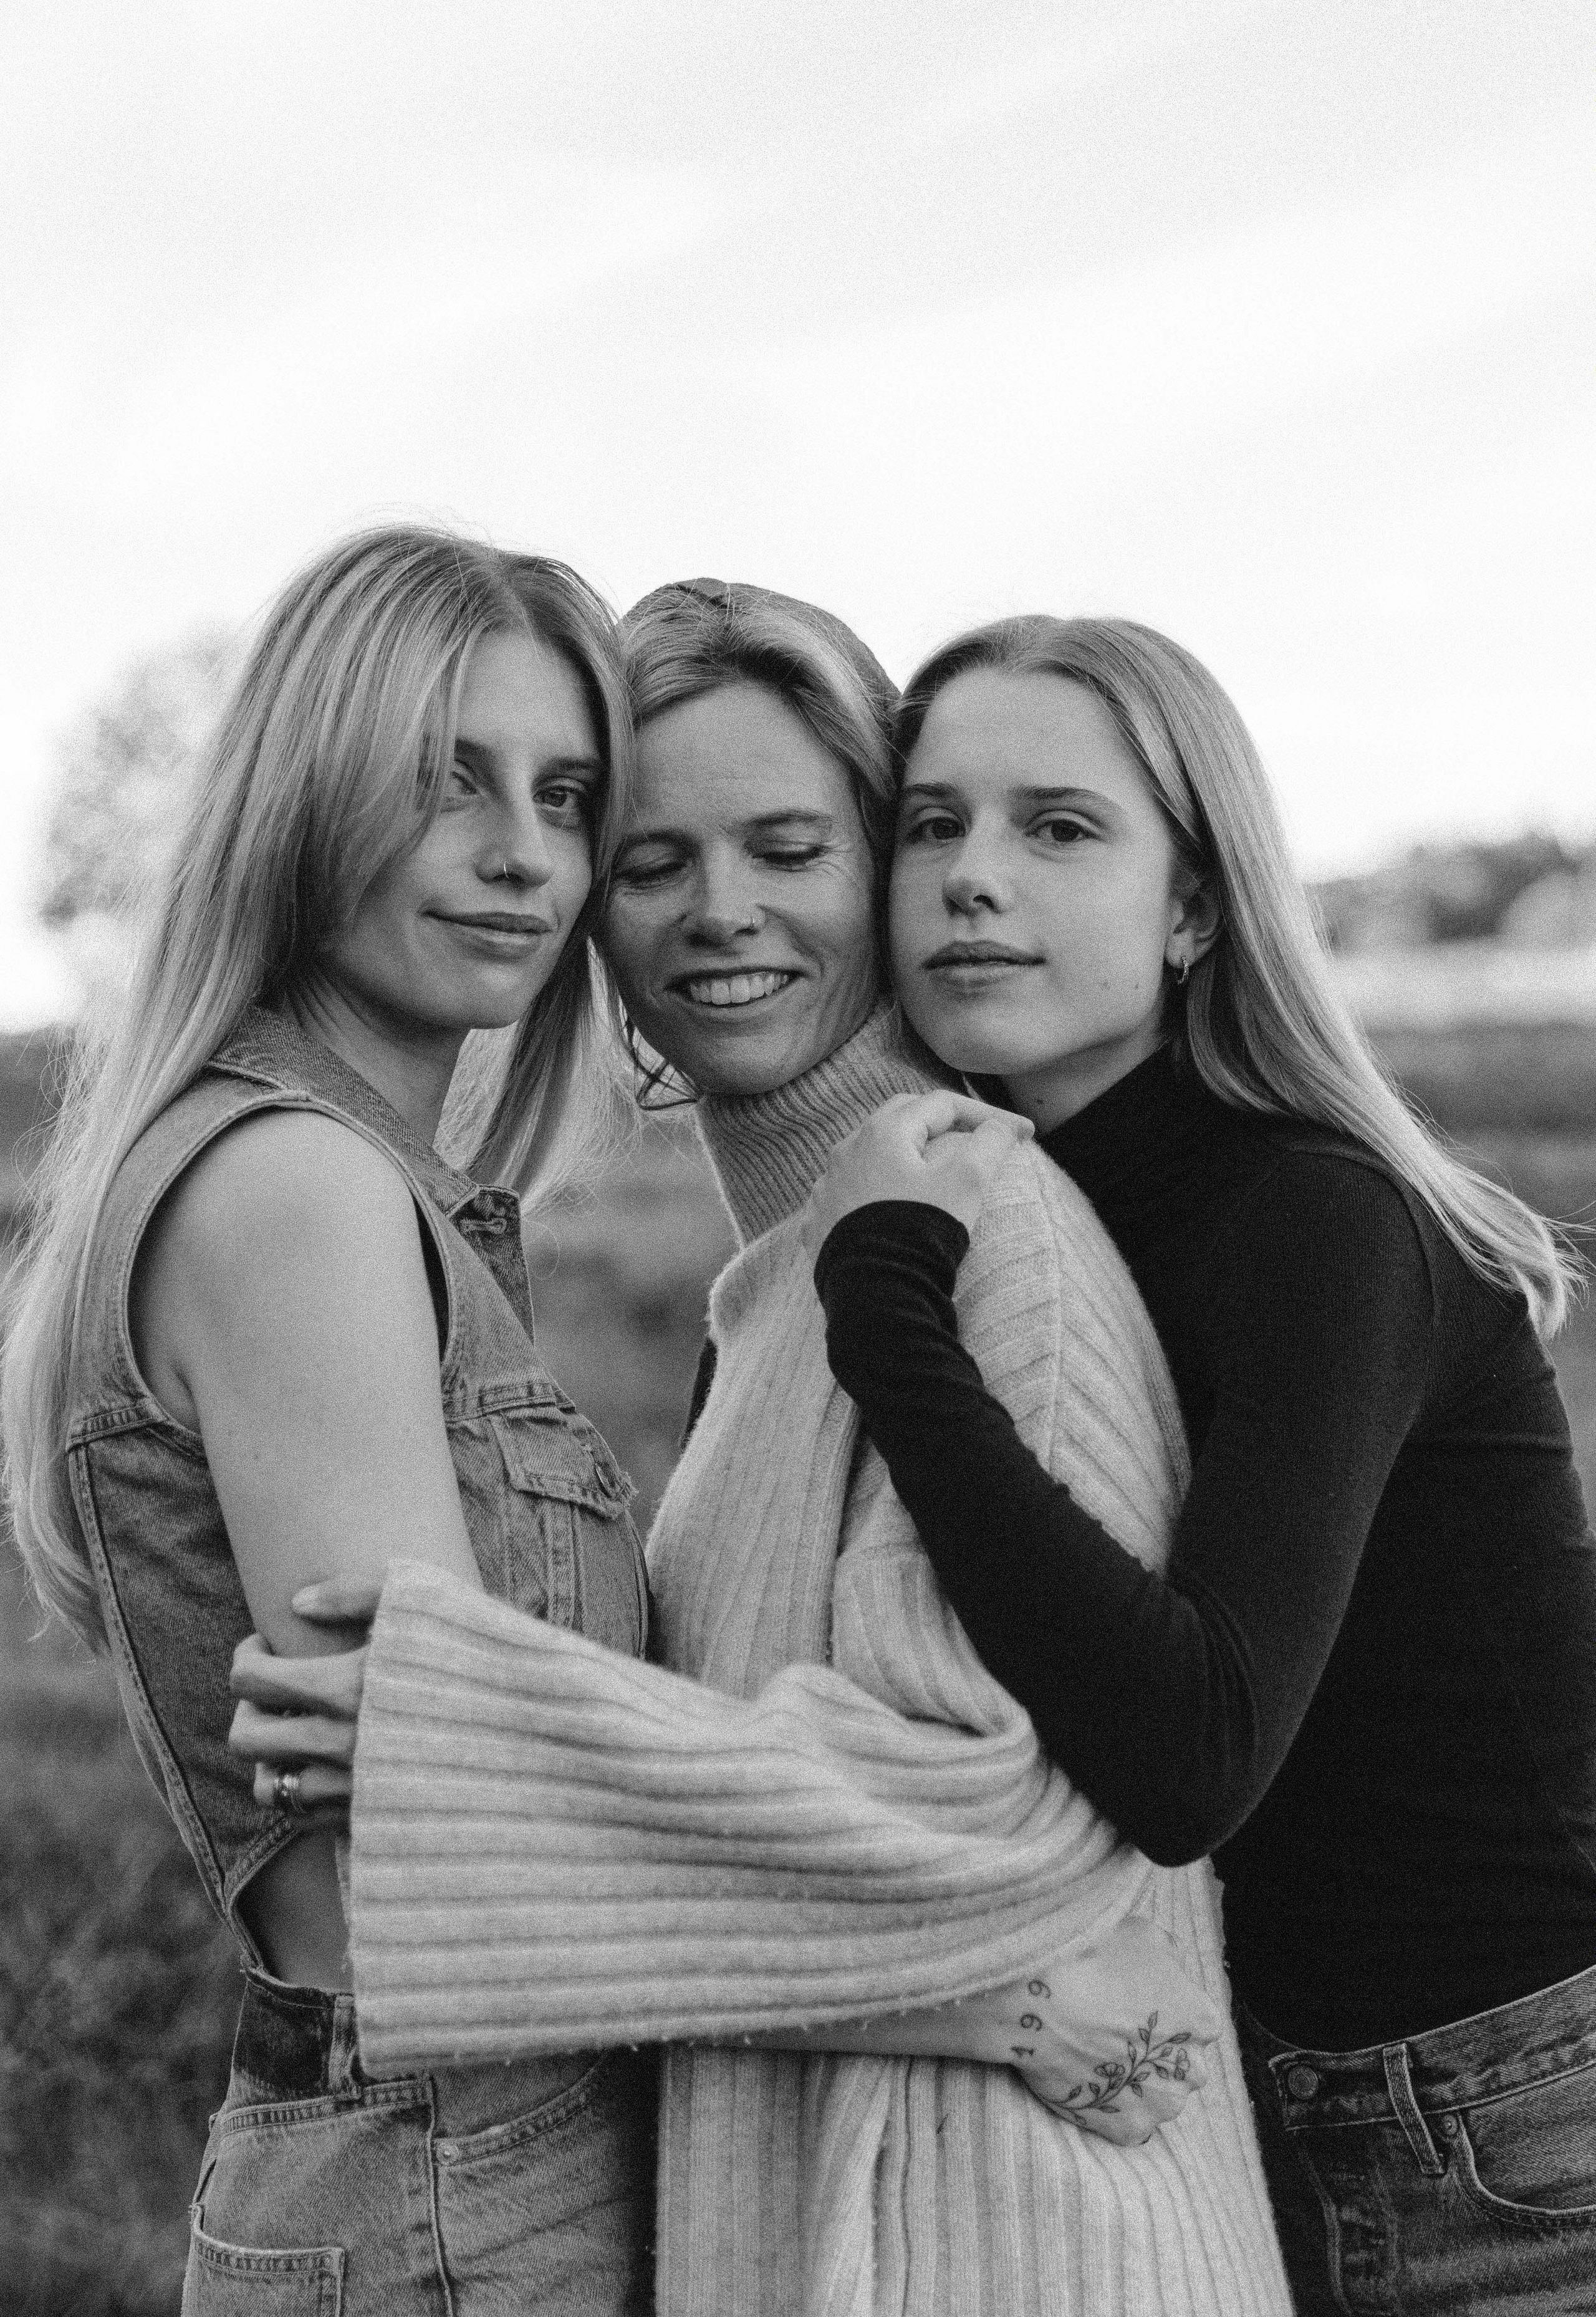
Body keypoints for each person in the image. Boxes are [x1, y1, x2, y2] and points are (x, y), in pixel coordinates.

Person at [233, 582, 1293, 2316]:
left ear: (883, 864)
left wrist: (485, 1736)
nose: (721, 912)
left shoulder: (981, 1231)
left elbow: (1019, 1810)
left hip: (1020, 2243)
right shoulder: (788, 1287)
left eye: (791, 846)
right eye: (652, 861)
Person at [801, 615, 1596, 2314]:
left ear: (1192, 907)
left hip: (1523, 2122)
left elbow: (1193, 1747)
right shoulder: (1048, 1208)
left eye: (1058, 826)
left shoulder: (1313, 1213)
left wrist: (882, 1302)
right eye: (930, 824)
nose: (969, 876)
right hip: (1269, 2088)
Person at [1, 525, 663, 2315]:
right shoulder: (294, 1190)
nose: (522, 850)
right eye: (446, 781)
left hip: (466, 2165)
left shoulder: (366, 1185)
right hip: (461, 2181)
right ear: (302, 799)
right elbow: (440, 1847)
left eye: (567, 791)